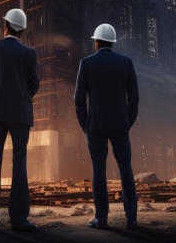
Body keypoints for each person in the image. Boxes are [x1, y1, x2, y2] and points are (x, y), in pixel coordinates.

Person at [0, 8, 39, 232]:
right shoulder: (29, 54)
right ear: (22, 30)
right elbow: (34, 85)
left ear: (5, 26)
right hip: (21, 115)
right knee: (19, 165)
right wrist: (22, 98)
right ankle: (19, 220)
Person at [73, 23, 139, 229]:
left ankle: (101, 218)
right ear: (112, 42)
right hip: (120, 125)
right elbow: (134, 99)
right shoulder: (126, 63)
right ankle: (132, 219)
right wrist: (128, 122)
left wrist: (85, 124)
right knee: (126, 170)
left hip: (96, 126)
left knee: (99, 171)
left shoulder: (87, 63)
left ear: (97, 41)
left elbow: (78, 99)